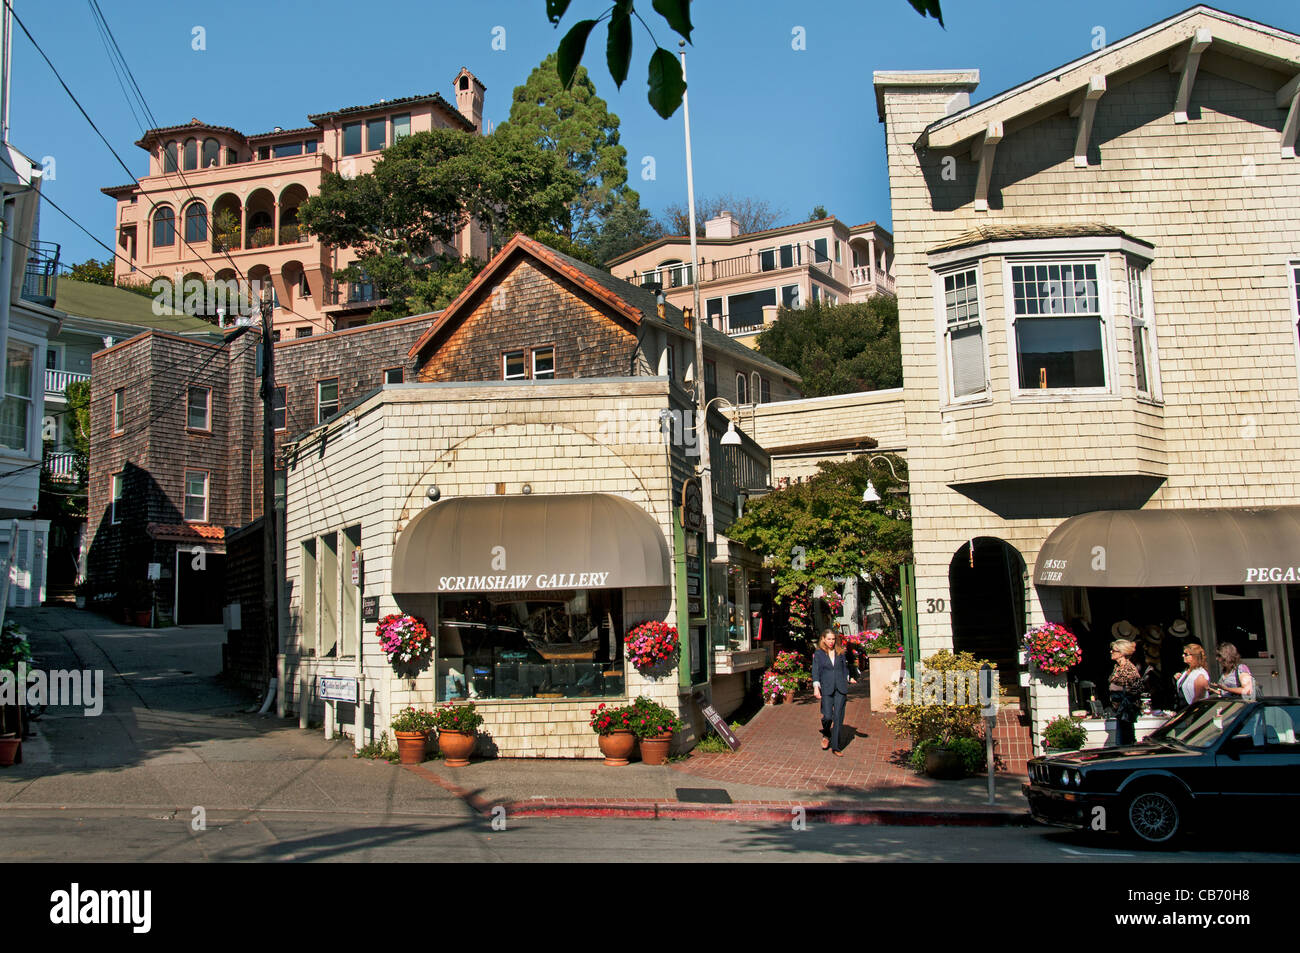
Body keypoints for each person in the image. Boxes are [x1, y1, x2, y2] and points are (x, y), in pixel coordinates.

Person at [812, 628, 858, 757]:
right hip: (826, 688)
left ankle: (836, 746)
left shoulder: (840, 653)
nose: (831, 642)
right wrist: (816, 687)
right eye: (829, 639)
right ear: (823, 639)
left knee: (838, 717)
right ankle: (826, 732)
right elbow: (815, 671)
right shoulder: (819, 654)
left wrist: (850, 678)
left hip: (840, 688)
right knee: (827, 716)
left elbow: (845, 669)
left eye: (833, 639)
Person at [1108, 639, 1143, 746]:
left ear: (1122, 653)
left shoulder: (1129, 669)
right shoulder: (1117, 667)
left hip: (1126, 712)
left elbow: (1136, 690)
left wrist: (1125, 706)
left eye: (1113, 650)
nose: (1111, 652)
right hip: (1119, 711)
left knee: (1126, 741)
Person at [1174, 643, 1210, 710]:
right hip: (1182, 709)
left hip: (1193, 711)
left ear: (1194, 656)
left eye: (1186, 654)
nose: (1183, 655)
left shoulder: (1200, 675)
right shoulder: (1186, 671)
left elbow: (1198, 699)